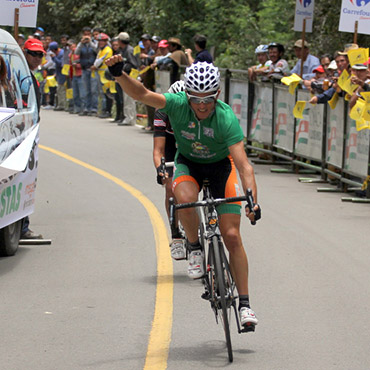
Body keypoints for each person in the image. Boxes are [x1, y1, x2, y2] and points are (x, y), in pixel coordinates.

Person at [106, 56, 260, 328]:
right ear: (187, 95)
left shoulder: (225, 117)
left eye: (208, 100)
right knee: (185, 200)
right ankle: (194, 245)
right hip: (188, 163)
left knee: (233, 235)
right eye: (196, 99)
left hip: (221, 167)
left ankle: (246, 305)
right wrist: (119, 74)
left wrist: (252, 202)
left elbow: (245, 166)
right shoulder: (176, 104)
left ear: (218, 95)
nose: (201, 106)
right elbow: (142, 93)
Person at [153, 80, 187, 260]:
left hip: (189, 146)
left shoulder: (195, 110)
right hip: (170, 148)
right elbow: (158, 150)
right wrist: (160, 169)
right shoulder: (161, 112)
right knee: (170, 188)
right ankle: (176, 236)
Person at [21, 38, 45, 240]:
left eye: (40, 55)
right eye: (33, 54)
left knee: (27, 179)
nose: (37, 58)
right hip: (20, 133)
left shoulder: (32, 76)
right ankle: (20, 228)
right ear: (24, 52)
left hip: (31, 134)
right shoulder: (19, 74)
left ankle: (22, 226)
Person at [75, 27, 99, 116]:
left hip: (93, 69)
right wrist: (81, 43)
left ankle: (94, 108)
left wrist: (91, 42)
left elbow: (97, 51)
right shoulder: (81, 44)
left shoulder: (95, 43)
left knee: (93, 90)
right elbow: (76, 53)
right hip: (84, 69)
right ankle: (86, 108)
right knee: (86, 90)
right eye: (85, 34)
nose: (86, 36)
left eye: (88, 34)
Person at [116, 31, 139, 126]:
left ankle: (130, 118)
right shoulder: (122, 50)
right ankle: (127, 116)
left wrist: (125, 67)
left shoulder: (129, 50)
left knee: (129, 98)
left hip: (130, 76)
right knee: (125, 98)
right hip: (124, 76)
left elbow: (134, 64)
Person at [92, 33, 113, 119]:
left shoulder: (107, 50)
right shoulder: (101, 50)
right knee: (102, 93)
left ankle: (106, 110)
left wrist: (95, 66)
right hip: (100, 73)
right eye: (99, 41)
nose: (100, 43)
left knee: (106, 93)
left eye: (102, 41)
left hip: (105, 73)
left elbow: (99, 61)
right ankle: (103, 109)